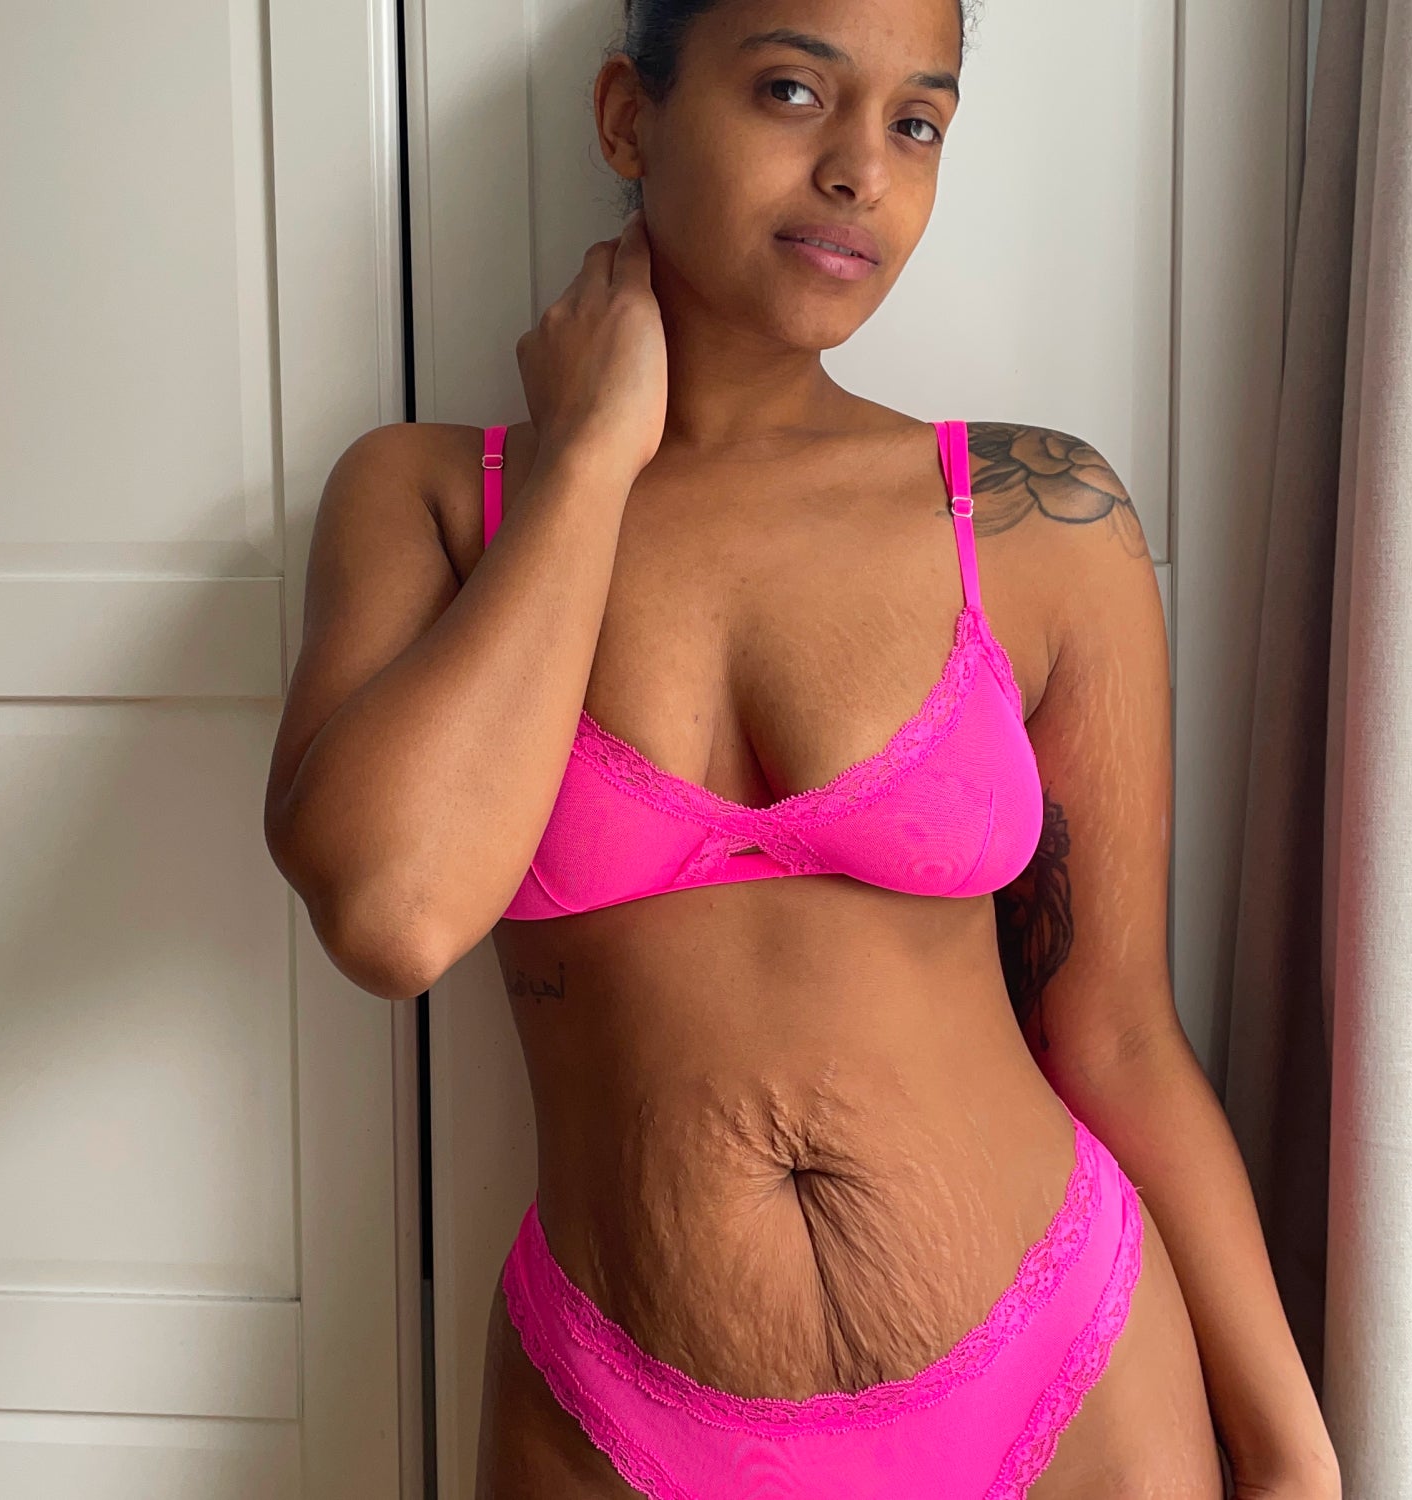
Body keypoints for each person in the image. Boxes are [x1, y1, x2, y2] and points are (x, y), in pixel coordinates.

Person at [264, 0, 1342, 1496]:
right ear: (627, 116)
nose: (860, 170)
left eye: (917, 122)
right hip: (621, 1423)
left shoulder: (1036, 518)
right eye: (791, 90)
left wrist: (1293, 1456)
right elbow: (391, 916)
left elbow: (1116, 1033)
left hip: (1068, 1378)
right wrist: (589, 461)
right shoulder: (437, 502)